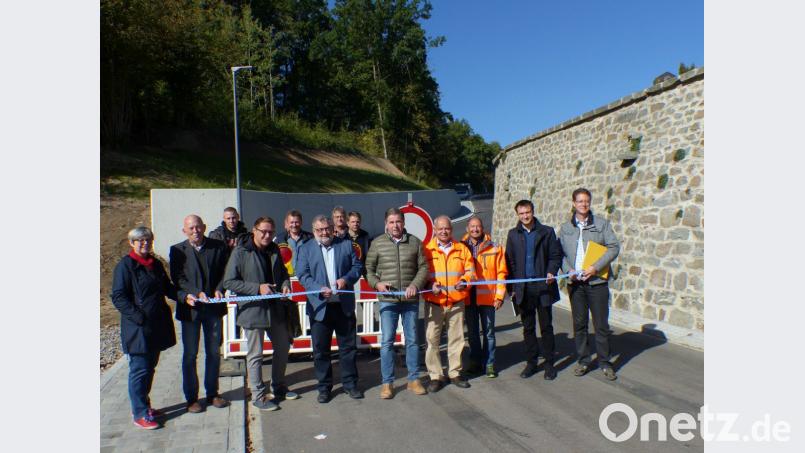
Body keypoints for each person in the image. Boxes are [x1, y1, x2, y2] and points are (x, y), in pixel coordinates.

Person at [223, 217, 298, 411]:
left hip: (276, 310)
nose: (267, 235)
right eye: (263, 231)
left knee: (282, 347)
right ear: (254, 231)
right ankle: (258, 395)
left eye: (270, 232)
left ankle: (279, 386)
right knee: (255, 354)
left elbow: (283, 274)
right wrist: (258, 288)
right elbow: (229, 282)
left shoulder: (274, 250)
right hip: (253, 310)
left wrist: (285, 286)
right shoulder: (241, 252)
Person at [112, 226, 177, 430]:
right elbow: (119, 297)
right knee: (139, 370)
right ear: (131, 243)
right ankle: (139, 413)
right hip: (138, 328)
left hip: (156, 325)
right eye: (139, 240)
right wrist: (138, 316)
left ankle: (144, 405)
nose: (144, 243)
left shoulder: (154, 264)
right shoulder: (126, 266)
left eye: (148, 239)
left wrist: (187, 296)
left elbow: (167, 288)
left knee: (150, 368)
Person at [296, 215, 364, 403]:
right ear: (313, 230)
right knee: (320, 350)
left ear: (332, 228)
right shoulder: (305, 249)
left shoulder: (346, 244)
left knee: (348, 348)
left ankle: (350, 384)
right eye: (320, 230)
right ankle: (324, 387)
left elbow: (357, 267)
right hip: (320, 307)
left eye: (327, 228)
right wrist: (318, 288)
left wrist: (346, 279)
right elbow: (302, 275)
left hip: (343, 305)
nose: (324, 233)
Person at [365, 207, 430, 399]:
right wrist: (377, 283)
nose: (395, 225)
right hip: (388, 301)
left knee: (412, 341)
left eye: (398, 221)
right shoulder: (377, 244)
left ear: (404, 223)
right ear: (386, 224)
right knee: (387, 342)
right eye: (392, 222)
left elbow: (424, 267)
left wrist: (415, 285)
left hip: (410, 300)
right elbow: (368, 269)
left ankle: (413, 379)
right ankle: (387, 383)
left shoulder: (415, 242)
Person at [169, 215, 230, 413]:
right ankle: (192, 398)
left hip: (213, 309)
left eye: (198, 227)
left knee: (213, 352)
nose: (195, 231)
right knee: (190, 354)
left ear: (204, 227)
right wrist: (195, 293)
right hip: (191, 311)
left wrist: (220, 288)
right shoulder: (177, 250)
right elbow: (178, 279)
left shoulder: (218, 246)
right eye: (191, 228)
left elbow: (225, 272)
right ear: (184, 231)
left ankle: (212, 393)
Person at [558, 188, 621, 381]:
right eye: (580, 201)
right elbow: (559, 253)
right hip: (575, 284)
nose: (583, 204)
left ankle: (605, 362)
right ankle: (584, 360)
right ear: (573, 203)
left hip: (597, 282)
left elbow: (614, 247)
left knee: (601, 325)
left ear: (590, 203)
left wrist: (596, 267)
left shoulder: (602, 224)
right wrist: (568, 270)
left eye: (586, 201)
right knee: (579, 324)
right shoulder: (565, 228)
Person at [505, 200, 563, 381]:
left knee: (546, 327)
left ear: (533, 211)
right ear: (518, 215)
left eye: (527, 212)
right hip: (524, 288)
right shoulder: (513, 235)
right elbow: (510, 262)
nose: (525, 216)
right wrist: (512, 287)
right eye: (521, 213)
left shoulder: (547, 232)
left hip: (543, 287)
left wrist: (551, 271)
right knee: (528, 328)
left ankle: (549, 364)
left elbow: (555, 256)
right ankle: (531, 363)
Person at [423, 215, 474, 392]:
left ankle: (454, 373)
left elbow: (470, 270)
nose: (444, 231)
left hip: (456, 302)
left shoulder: (462, 249)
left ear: (451, 230)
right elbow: (421, 274)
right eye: (441, 228)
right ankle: (435, 376)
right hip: (434, 302)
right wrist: (429, 285)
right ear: (435, 230)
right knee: (432, 341)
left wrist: (465, 280)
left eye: (447, 228)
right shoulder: (426, 250)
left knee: (457, 339)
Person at [460, 216, 507, 378]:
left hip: (488, 298)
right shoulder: (461, 247)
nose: (475, 229)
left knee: (489, 332)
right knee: (472, 333)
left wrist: (500, 296)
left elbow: (502, 273)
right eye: (472, 227)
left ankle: (489, 364)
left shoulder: (495, 247)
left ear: (482, 228)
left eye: (478, 226)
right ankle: (475, 362)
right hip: (468, 298)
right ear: (467, 229)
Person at [274, 210, 314, 276]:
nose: (294, 225)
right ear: (287, 223)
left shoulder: (310, 238)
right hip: (286, 278)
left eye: (297, 222)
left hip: (306, 278)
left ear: (301, 222)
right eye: (291, 222)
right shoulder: (279, 239)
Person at [347, 211, 372, 275]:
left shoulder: (365, 236)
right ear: (348, 223)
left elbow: (370, 255)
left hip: (363, 272)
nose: (355, 224)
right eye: (353, 222)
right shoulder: (344, 238)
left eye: (357, 222)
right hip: (348, 272)